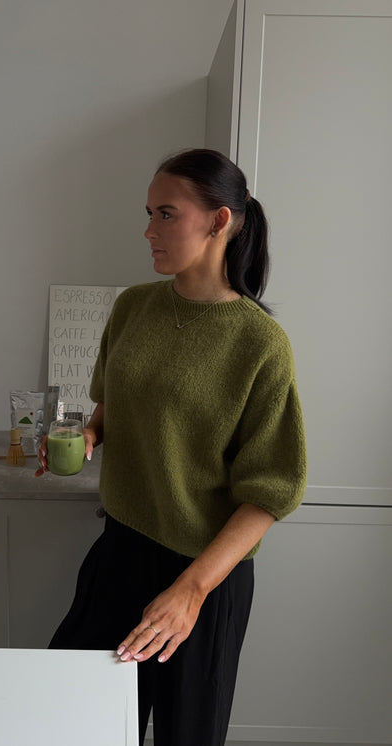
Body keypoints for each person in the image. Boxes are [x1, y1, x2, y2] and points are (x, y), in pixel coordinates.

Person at [38, 148, 307, 746]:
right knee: (77, 722)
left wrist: (191, 591)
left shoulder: (261, 344)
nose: (149, 231)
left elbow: (270, 493)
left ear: (219, 221)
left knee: (188, 734)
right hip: (120, 554)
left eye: (167, 214)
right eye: (149, 214)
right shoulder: (134, 306)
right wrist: (88, 436)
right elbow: (112, 407)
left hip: (205, 575)